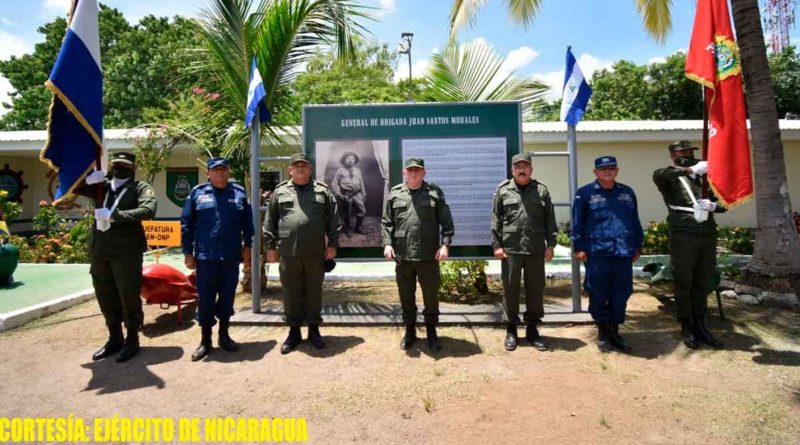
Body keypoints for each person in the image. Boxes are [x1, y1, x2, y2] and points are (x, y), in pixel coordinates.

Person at [80, 152, 157, 363]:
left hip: (126, 252)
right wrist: (86, 179)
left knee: (128, 295)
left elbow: (148, 209)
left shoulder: (140, 188)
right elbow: (69, 189)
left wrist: (115, 216)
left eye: (124, 166)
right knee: (105, 294)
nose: (119, 169)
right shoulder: (101, 187)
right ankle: (115, 337)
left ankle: (132, 338)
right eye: (116, 165)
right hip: (100, 250)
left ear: (133, 169)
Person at [264, 153, 340, 354]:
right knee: (291, 293)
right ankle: (294, 332)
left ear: (310, 169)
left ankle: (314, 331)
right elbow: (270, 220)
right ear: (290, 170)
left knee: (314, 292)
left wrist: (332, 245)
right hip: (288, 253)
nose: (300, 169)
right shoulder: (280, 192)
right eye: (296, 166)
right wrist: (270, 247)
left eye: (304, 166)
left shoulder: (322, 192)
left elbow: (333, 220)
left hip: (316, 253)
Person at [653, 140, 726, 349]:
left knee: (703, 279)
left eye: (689, 151)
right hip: (683, 233)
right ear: (673, 156)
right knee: (684, 280)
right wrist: (689, 169)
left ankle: (700, 323)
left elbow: (724, 202)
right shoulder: (668, 176)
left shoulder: (705, 178)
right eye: (682, 152)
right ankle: (687, 325)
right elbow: (660, 175)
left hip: (706, 232)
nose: (687, 154)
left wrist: (714, 206)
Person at [181, 157, 254, 361]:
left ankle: (224, 335)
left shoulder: (239, 194)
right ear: (208, 173)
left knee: (227, 297)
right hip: (206, 258)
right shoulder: (197, 193)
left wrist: (248, 247)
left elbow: (248, 224)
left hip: (231, 257)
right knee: (205, 299)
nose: (220, 174)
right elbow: (187, 224)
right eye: (216, 170)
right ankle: (205, 340)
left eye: (223, 170)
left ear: (228, 173)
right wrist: (188, 253)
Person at [571, 156, 643, 353]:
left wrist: (637, 245)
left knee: (621, 294)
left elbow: (634, 220)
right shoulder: (585, 193)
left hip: (622, 253)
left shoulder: (627, 193)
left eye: (611, 168)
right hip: (597, 253)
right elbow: (577, 222)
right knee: (598, 292)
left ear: (617, 171)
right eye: (603, 169)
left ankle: (615, 331)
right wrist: (579, 247)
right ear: (595, 172)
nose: (607, 172)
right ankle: (603, 331)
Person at [381, 157, 454, 352]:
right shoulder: (395, 194)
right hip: (403, 257)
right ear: (404, 173)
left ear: (424, 173)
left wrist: (445, 245)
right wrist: (387, 244)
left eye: (417, 170)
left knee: (430, 297)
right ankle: (410, 331)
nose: (413, 173)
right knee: (406, 297)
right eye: (410, 170)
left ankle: (431, 332)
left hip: (428, 256)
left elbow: (446, 222)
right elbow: (387, 223)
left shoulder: (434, 193)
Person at [491, 152, 557, 352]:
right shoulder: (503, 191)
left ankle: (532, 329)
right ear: (512, 170)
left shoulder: (542, 191)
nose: (522, 170)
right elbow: (496, 219)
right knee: (510, 289)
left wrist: (551, 244)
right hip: (511, 249)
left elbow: (549, 220)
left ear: (531, 169)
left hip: (536, 248)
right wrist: (496, 245)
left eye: (525, 166)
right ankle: (511, 329)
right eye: (518, 167)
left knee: (535, 289)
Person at [331, 151, 367, 237]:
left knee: (362, 211)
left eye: (352, 158)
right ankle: (348, 229)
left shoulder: (358, 170)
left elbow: (361, 182)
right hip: (346, 194)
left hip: (357, 194)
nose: (351, 160)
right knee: (347, 213)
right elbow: (334, 183)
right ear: (344, 160)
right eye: (348, 158)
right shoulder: (340, 171)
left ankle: (358, 228)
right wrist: (339, 194)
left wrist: (364, 193)